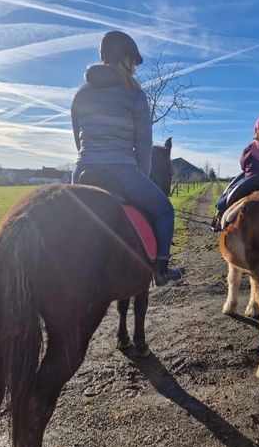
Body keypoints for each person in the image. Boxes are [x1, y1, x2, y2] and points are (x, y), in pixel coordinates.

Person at [71, 30, 180, 286]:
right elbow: (143, 145)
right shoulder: (134, 94)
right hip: (122, 172)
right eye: (133, 62)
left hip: (82, 171)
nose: (134, 68)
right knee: (165, 210)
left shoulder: (80, 94)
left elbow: (78, 140)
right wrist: (142, 176)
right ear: (124, 59)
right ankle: (161, 269)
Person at [212, 114, 259, 231]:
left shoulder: (251, 147)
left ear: (257, 129)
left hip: (251, 179)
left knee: (229, 193)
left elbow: (243, 164)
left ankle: (219, 213)